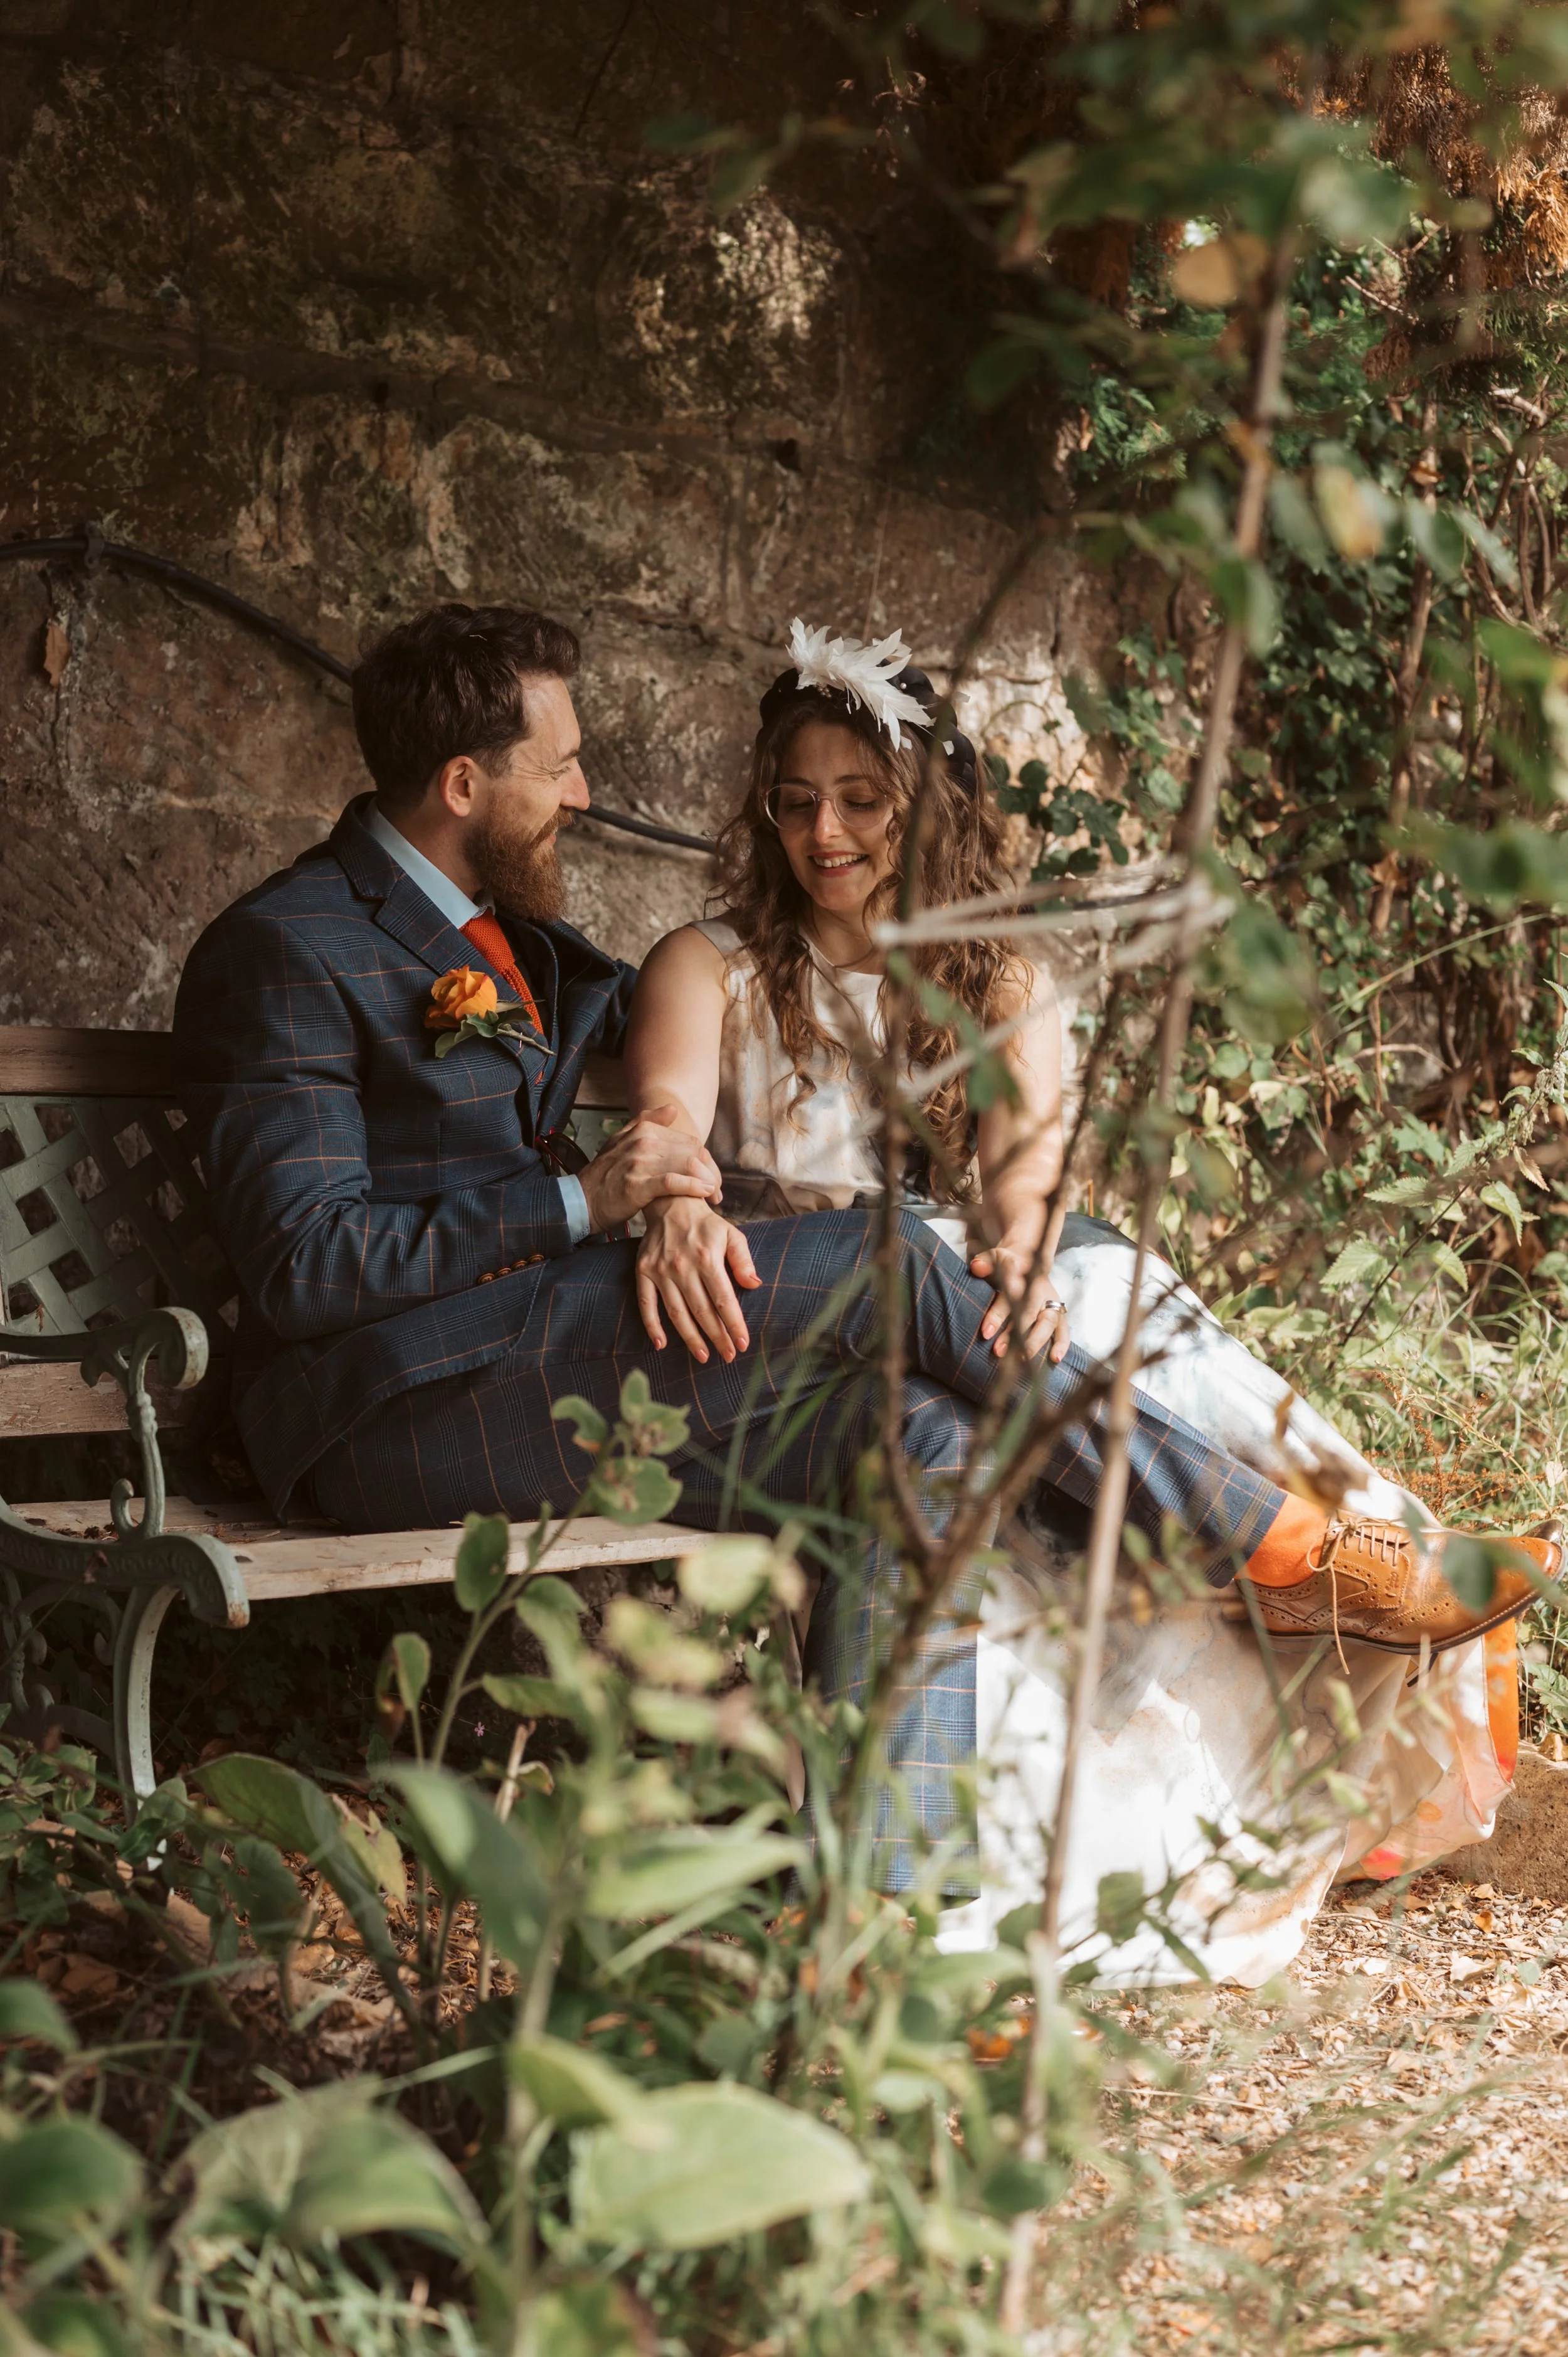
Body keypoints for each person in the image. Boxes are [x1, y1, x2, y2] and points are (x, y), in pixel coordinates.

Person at [175, 602, 1551, 1922]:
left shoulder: (508, 940)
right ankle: (1278, 1550)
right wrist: (591, 1200)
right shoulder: (285, 950)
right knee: (891, 1266)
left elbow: (671, 1131)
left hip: (529, 1351)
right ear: (467, 781)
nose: (586, 793)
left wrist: (676, 1201)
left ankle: (880, 1893)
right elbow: (305, 1266)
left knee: (916, 1434)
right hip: (383, 1407)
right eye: (565, 765)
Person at [623, 619, 1563, 1971]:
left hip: (958, 1301)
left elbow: (1024, 1178)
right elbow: (666, 1115)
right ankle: (1309, 1563)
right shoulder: (704, 964)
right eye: (793, 802)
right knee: (964, 1341)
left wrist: (1012, 1251)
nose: (821, 832)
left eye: (858, 800)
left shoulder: (995, 978)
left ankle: (1345, 1566)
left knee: (1108, 1313)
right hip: (799, 1313)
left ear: (922, 807)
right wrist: (676, 1197)